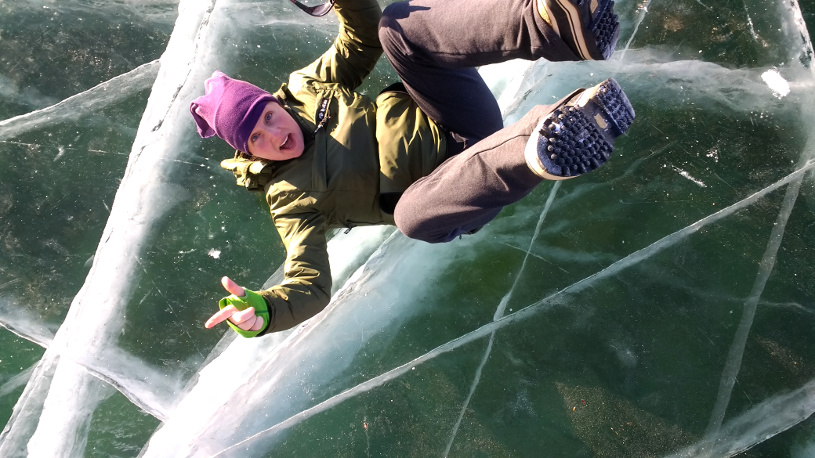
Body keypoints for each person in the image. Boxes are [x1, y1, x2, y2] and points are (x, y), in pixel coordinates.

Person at [190, 0, 635, 338]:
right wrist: (267, 310)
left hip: (456, 121)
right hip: (456, 195)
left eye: (267, 116)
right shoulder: (287, 199)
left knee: (396, 27)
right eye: (256, 139)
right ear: (249, 152)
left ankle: (555, 25)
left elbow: (360, 38)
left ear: (272, 101)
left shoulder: (305, 88)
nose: (274, 135)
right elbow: (308, 284)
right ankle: (545, 139)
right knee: (409, 217)